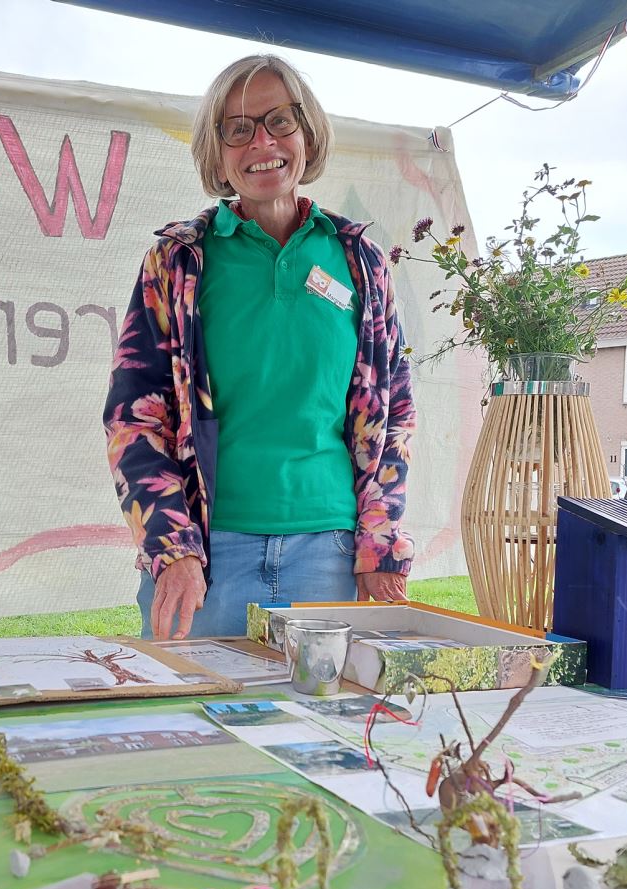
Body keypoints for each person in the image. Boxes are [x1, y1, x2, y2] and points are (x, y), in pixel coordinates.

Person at [103, 55, 416, 640]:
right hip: (204, 560)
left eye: (279, 121)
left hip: (329, 554)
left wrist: (381, 544)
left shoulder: (361, 264)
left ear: (307, 131)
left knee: (326, 730)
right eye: (238, 128)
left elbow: (393, 413)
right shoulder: (177, 264)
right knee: (191, 729)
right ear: (217, 151)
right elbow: (133, 419)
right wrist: (174, 547)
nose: (261, 142)